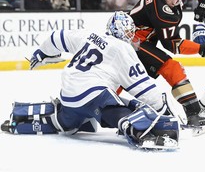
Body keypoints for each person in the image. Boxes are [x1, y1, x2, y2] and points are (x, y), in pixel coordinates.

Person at [0, 11, 179, 150]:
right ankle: (135, 128)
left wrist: (41, 52)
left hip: (68, 94)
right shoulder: (123, 48)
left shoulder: (90, 34)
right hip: (91, 93)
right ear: (126, 32)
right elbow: (143, 88)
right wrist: (162, 110)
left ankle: (21, 118)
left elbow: (58, 36)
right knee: (113, 109)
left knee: (65, 124)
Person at [128, 0, 205, 130]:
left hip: (141, 37)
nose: (176, 1)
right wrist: (203, 48)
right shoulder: (161, 12)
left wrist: (202, 0)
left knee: (121, 77)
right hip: (133, 42)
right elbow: (173, 45)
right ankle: (195, 115)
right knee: (172, 68)